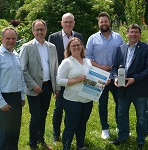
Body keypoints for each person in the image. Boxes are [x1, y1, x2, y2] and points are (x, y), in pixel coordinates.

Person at [110, 24, 148, 150]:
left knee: (141, 117)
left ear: (140, 34)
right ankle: (122, 137)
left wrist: (135, 79)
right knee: (122, 114)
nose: (133, 34)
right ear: (127, 34)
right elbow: (114, 67)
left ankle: (140, 140)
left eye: (136, 32)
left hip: (139, 88)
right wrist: (114, 77)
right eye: (131, 32)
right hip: (122, 88)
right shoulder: (120, 48)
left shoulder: (147, 48)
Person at [19, 19, 59, 150]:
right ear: (33, 31)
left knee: (43, 115)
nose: (40, 32)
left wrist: (56, 88)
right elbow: (22, 69)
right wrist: (32, 85)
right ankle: (33, 144)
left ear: (46, 30)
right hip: (34, 88)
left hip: (47, 86)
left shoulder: (52, 47)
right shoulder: (27, 47)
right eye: (37, 30)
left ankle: (41, 139)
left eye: (42, 29)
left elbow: (55, 69)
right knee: (35, 116)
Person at [86, 12, 125, 139]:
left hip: (116, 76)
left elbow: (124, 54)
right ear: (98, 23)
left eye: (106, 21)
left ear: (110, 22)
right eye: (101, 22)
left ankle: (120, 125)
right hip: (99, 75)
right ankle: (105, 128)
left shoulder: (118, 37)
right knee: (102, 103)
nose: (104, 24)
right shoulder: (92, 38)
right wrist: (102, 67)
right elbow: (87, 58)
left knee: (120, 102)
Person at [48, 12, 84, 144]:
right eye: (66, 22)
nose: (68, 24)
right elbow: (51, 60)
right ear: (61, 23)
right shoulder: (53, 37)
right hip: (60, 79)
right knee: (59, 108)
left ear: (73, 23)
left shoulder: (79, 36)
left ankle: (70, 133)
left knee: (72, 108)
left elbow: (82, 56)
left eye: (70, 22)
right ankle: (56, 134)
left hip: (76, 79)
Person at [0, 27, 25, 150]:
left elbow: (20, 77)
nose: (11, 41)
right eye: (8, 38)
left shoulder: (15, 55)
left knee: (14, 131)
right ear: (2, 39)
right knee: (5, 133)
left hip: (16, 98)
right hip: (4, 98)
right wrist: (1, 101)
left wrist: (22, 96)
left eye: (14, 38)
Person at [57, 37, 93, 150]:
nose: (76, 47)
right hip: (72, 100)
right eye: (74, 46)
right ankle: (66, 147)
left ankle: (80, 146)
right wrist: (76, 80)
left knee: (82, 124)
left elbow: (91, 79)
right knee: (71, 126)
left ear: (82, 46)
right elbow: (59, 81)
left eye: (78, 45)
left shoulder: (87, 61)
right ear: (69, 48)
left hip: (87, 99)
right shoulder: (66, 62)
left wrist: (102, 82)